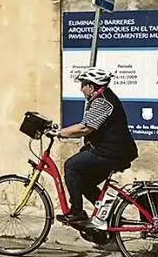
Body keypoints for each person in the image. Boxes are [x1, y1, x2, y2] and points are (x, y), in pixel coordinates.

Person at [53, 66, 138, 225]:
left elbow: (85, 128)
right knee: (84, 182)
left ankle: (77, 212)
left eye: (83, 85)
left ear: (91, 87)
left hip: (112, 152)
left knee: (71, 166)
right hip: (113, 151)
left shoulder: (102, 102)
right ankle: (109, 217)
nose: (81, 89)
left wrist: (59, 133)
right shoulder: (103, 98)